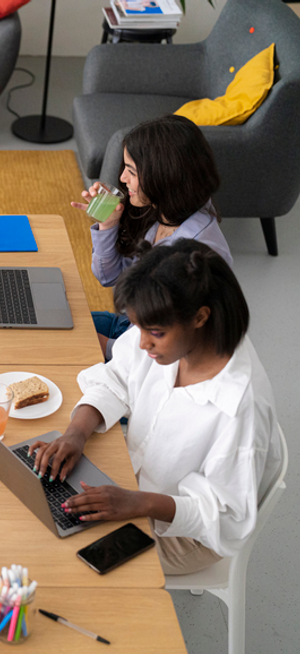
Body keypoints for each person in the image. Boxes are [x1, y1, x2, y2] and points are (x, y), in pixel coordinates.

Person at [29, 240, 282, 576]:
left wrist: (138, 503)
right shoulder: (168, 334)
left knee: (57, 552)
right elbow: (116, 376)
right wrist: (76, 434)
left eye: (155, 334)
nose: (142, 342)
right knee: (39, 500)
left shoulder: (239, 407)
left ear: (200, 317)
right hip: (138, 481)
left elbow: (225, 518)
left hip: (188, 533)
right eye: (139, 329)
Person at [72, 115, 232, 358]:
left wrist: (106, 346)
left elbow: (168, 345)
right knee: (44, 325)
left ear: (164, 177)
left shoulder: (192, 256)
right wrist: (109, 224)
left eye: (131, 171)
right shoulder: (167, 210)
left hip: (140, 351)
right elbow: (108, 276)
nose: (123, 179)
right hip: (128, 325)